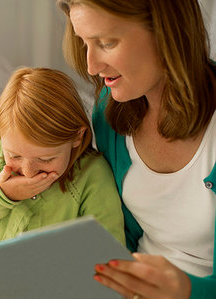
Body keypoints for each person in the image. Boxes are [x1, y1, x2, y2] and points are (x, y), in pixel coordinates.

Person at [57, 0, 216, 298]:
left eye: (106, 42)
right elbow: (123, 234)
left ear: (167, 31)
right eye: (84, 42)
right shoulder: (109, 111)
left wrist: (186, 290)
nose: (91, 65)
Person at [0, 67, 125, 249]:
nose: (28, 171)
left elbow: (108, 249)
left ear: (77, 137)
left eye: (46, 159)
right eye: (15, 155)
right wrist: (1, 196)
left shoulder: (92, 173)